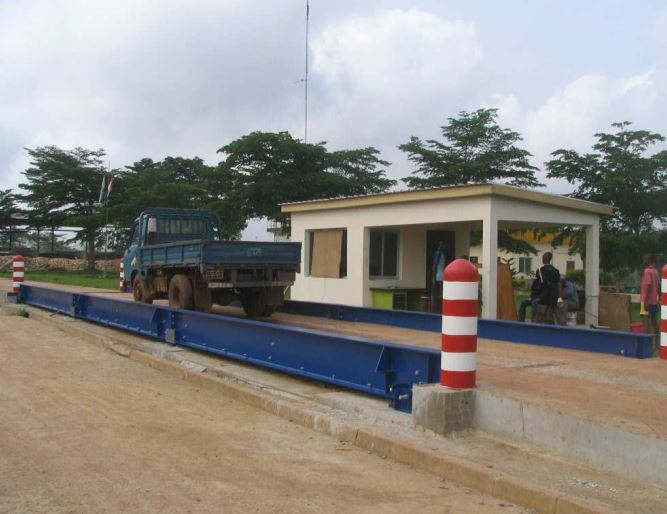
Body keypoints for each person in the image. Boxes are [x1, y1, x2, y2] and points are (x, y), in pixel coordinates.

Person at [533, 252, 562, 324]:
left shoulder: (540, 270)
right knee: (559, 318)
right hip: (554, 296)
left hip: (544, 296)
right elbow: (559, 284)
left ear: (544, 259)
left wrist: (537, 295)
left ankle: (535, 331)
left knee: (538, 318)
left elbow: (542, 283)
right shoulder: (556, 270)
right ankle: (563, 331)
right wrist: (559, 297)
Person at [640, 254, 660, 350]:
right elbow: (659, 286)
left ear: (648, 261)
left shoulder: (647, 271)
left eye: (645, 259)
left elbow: (647, 285)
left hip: (646, 301)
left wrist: (645, 301)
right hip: (654, 302)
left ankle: (647, 345)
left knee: (646, 323)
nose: (643, 261)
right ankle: (657, 344)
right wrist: (658, 299)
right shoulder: (656, 271)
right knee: (654, 322)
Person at [431, 241, 446, 313]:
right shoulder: (438, 253)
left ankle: (441, 296)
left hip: (441, 273)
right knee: (438, 287)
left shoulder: (442, 253)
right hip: (438, 275)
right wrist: (434, 276)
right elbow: (434, 265)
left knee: (441, 287)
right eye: (441, 245)